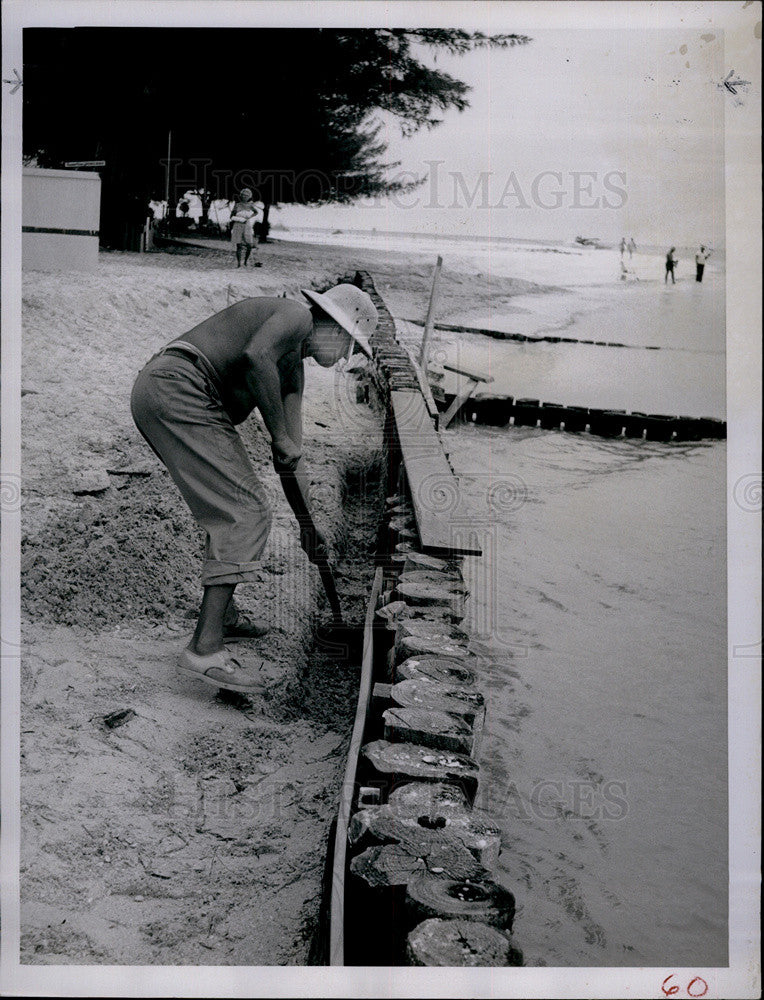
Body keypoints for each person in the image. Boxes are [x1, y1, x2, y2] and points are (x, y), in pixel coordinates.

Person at [130, 284, 378, 695]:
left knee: (229, 507)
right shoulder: (295, 318)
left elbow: (289, 458)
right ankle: (205, 651)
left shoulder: (292, 372)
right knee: (245, 511)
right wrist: (278, 432)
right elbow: (254, 355)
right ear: (331, 324)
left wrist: (308, 526)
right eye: (349, 345)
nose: (345, 360)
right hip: (177, 387)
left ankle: (224, 617)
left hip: (169, 394)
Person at [229, 188, 258, 268]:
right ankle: (239, 263)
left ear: (249, 196)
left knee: (249, 244)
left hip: (247, 225)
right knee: (239, 244)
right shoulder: (237, 205)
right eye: (243, 195)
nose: (244, 197)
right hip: (238, 225)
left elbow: (256, 212)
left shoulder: (250, 205)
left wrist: (249, 217)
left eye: (246, 195)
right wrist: (240, 219)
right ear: (241, 196)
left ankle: (245, 261)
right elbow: (231, 216)